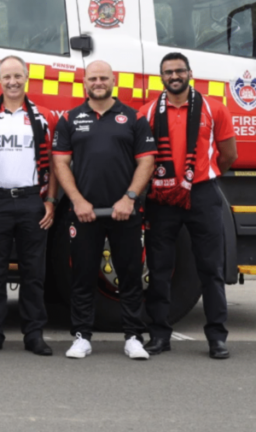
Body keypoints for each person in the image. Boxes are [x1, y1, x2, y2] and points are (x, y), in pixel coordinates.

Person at [52, 60, 156, 360]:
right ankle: (82, 337)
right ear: (84, 82)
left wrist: (130, 198)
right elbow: (60, 162)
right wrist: (77, 201)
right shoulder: (70, 118)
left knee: (131, 274)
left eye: (104, 78)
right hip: (85, 214)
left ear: (114, 81)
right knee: (82, 276)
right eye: (93, 78)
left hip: (125, 212)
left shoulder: (133, 118)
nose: (98, 82)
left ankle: (134, 337)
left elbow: (146, 161)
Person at [138, 53, 236, 360]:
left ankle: (217, 338)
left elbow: (228, 154)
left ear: (190, 73)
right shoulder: (148, 112)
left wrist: (199, 174)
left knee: (211, 269)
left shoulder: (213, 107)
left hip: (202, 194)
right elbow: (141, 157)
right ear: (161, 77)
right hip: (161, 199)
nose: (174, 76)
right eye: (168, 72)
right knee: (159, 269)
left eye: (179, 70)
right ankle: (158, 335)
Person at [0, 56, 57, 357]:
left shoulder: (43, 116)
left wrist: (50, 201)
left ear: (27, 76)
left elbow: (56, 165)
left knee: (33, 272)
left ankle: (34, 334)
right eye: (6, 76)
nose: (12, 82)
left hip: (33, 202)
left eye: (17, 76)